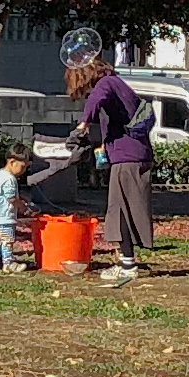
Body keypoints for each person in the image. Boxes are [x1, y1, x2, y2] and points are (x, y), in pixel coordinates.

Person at [68, 49, 156, 287]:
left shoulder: (107, 83)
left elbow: (96, 98)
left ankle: (128, 265)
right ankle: (126, 261)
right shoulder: (117, 86)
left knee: (121, 211)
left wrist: (81, 126)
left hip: (129, 159)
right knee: (120, 210)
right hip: (130, 156)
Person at [0, 138, 36, 270]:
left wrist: (21, 197)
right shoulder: (10, 179)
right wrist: (23, 207)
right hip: (4, 217)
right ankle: (8, 263)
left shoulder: (1, 174)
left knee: (3, 240)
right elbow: (11, 198)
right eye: (22, 167)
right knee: (8, 240)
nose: (23, 171)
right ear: (12, 162)